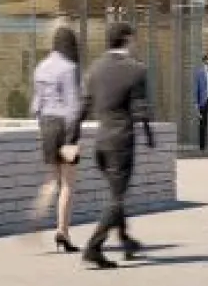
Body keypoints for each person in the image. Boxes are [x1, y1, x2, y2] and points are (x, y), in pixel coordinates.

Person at [80, 22, 155, 269]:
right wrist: (148, 133)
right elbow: (140, 109)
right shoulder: (136, 70)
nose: (136, 43)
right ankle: (94, 247)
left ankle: (125, 240)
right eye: (133, 39)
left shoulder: (94, 68)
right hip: (120, 142)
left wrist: (69, 141)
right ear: (126, 39)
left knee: (116, 195)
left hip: (100, 143)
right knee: (116, 198)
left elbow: (83, 107)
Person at [30, 25, 84, 253]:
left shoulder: (41, 67)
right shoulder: (69, 68)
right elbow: (73, 107)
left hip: (47, 125)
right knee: (68, 184)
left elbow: (36, 106)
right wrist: (73, 139)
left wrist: (43, 126)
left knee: (52, 181)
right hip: (64, 127)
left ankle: (35, 219)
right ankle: (62, 231)